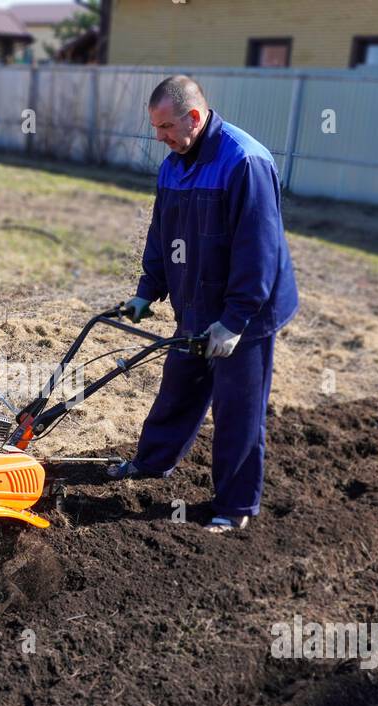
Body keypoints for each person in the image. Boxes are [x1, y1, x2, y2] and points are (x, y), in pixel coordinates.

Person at [110, 75, 299, 533]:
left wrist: (233, 322)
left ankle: (234, 507)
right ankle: (152, 463)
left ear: (194, 117)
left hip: (247, 313)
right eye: (155, 128)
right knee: (179, 386)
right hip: (197, 302)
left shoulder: (244, 161)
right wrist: (147, 288)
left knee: (237, 408)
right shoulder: (174, 163)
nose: (160, 137)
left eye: (166, 127)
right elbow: (162, 233)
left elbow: (258, 252)